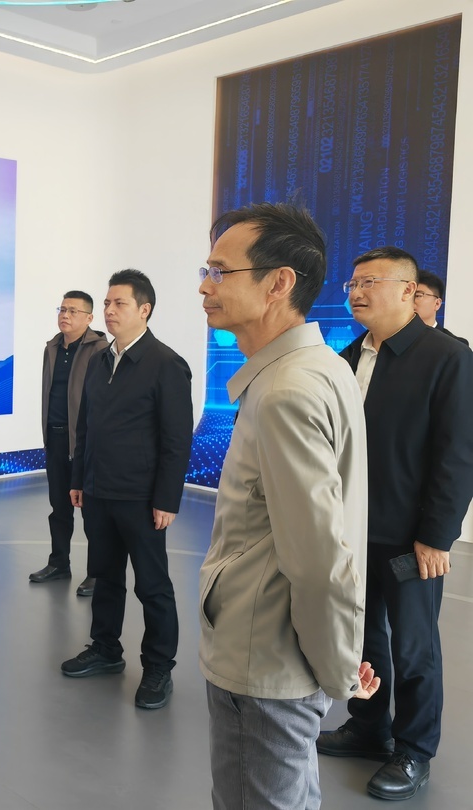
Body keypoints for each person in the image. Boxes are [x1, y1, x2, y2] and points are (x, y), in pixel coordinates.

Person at [197, 202, 378, 810]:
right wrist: (340, 656)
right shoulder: (321, 368)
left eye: (220, 271)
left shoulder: (285, 392)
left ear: (278, 283)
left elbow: (318, 559)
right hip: (285, 651)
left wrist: (338, 669)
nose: (205, 286)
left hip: (265, 662)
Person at [317, 246, 473, 800]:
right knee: (361, 637)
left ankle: (414, 749)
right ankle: (368, 726)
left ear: (408, 291)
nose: (356, 292)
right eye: (353, 283)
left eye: (370, 282)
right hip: (353, 531)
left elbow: (458, 454)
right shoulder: (349, 355)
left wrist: (436, 535)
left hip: (411, 538)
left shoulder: (447, 357)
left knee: (413, 648)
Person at [60, 269, 193, 711]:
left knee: (152, 586)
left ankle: (158, 667)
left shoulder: (166, 365)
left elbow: (176, 440)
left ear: (144, 310)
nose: (109, 311)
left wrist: (167, 499)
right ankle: (105, 648)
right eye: (107, 303)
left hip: (141, 498)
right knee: (105, 576)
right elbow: (86, 427)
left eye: (119, 303)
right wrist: (79, 480)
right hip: (98, 492)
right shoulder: (100, 360)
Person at [29, 291, 108, 596]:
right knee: (59, 507)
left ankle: (98, 574)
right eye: (62, 309)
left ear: (89, 318)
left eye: (73, 311)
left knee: (91, 512)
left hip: (85, 442)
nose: (65, 315)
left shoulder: (100, 350)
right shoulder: (51, 347)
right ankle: (59, 563)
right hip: (56, 437)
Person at [414, 269, 468, 344]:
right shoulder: (397, 337)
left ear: (437, 304)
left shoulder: (455, 344)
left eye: (418, 296)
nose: (409, 301)